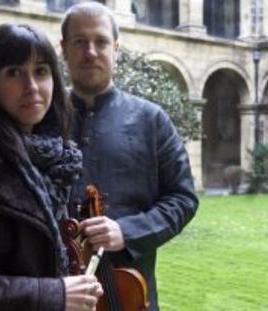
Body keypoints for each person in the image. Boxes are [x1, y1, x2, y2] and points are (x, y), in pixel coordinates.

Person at [61, 2, 199, 310]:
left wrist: (127, 231)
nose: (91, 51)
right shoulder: (44, 120)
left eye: (101, 41)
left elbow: (183, 198)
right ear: (64, 49)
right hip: (57, 294)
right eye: (80, 42)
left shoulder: (152, 120)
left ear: (116, 49)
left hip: (129, 296)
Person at [0, 23, 103, 310]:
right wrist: (49, 294)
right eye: (14, 73)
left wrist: (72, 285)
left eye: (41, 71)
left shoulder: (58, 159)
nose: (32, 87)